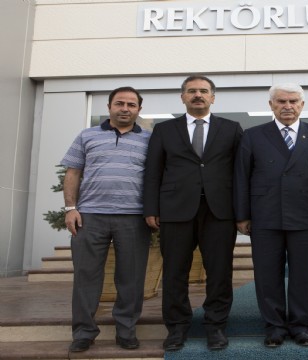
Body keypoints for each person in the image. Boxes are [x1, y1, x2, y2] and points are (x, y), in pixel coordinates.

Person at [143, 76, 243, 351]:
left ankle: (216, 327)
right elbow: (153, 172)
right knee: (175, 272)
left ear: (213, 97)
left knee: (220, 272)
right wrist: (151, 208)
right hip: (175, 211)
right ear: (182, 97)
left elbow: (241, 173)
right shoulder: (165, 130)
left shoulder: (231, 129)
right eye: (191, 91)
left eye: (203, 91)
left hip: (220, 211)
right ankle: (176, 328)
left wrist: (242, 211)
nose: (197, 95)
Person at [234, 83, 308, 348]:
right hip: (265, 215)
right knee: (268, 275)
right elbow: (241, 177)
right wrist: (242, 215)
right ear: (271, 105)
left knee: (303, 274)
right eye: (281, 101)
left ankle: (301, 326)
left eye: (293, 101)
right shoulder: (253, 135)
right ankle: (275, 327)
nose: (287, 106)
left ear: (302, 105)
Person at [61, 87, 151, 352]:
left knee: (132, 278)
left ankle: (126, 331)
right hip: (89, 217)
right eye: (120, 103)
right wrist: (70, 208)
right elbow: (73, 172)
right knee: (86, 276)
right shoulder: (87, 135)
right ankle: (84, 333)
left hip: (134, 218)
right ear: (109, 106)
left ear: (138, 110)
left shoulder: (149, 139)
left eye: (131, 105)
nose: (125, 108)